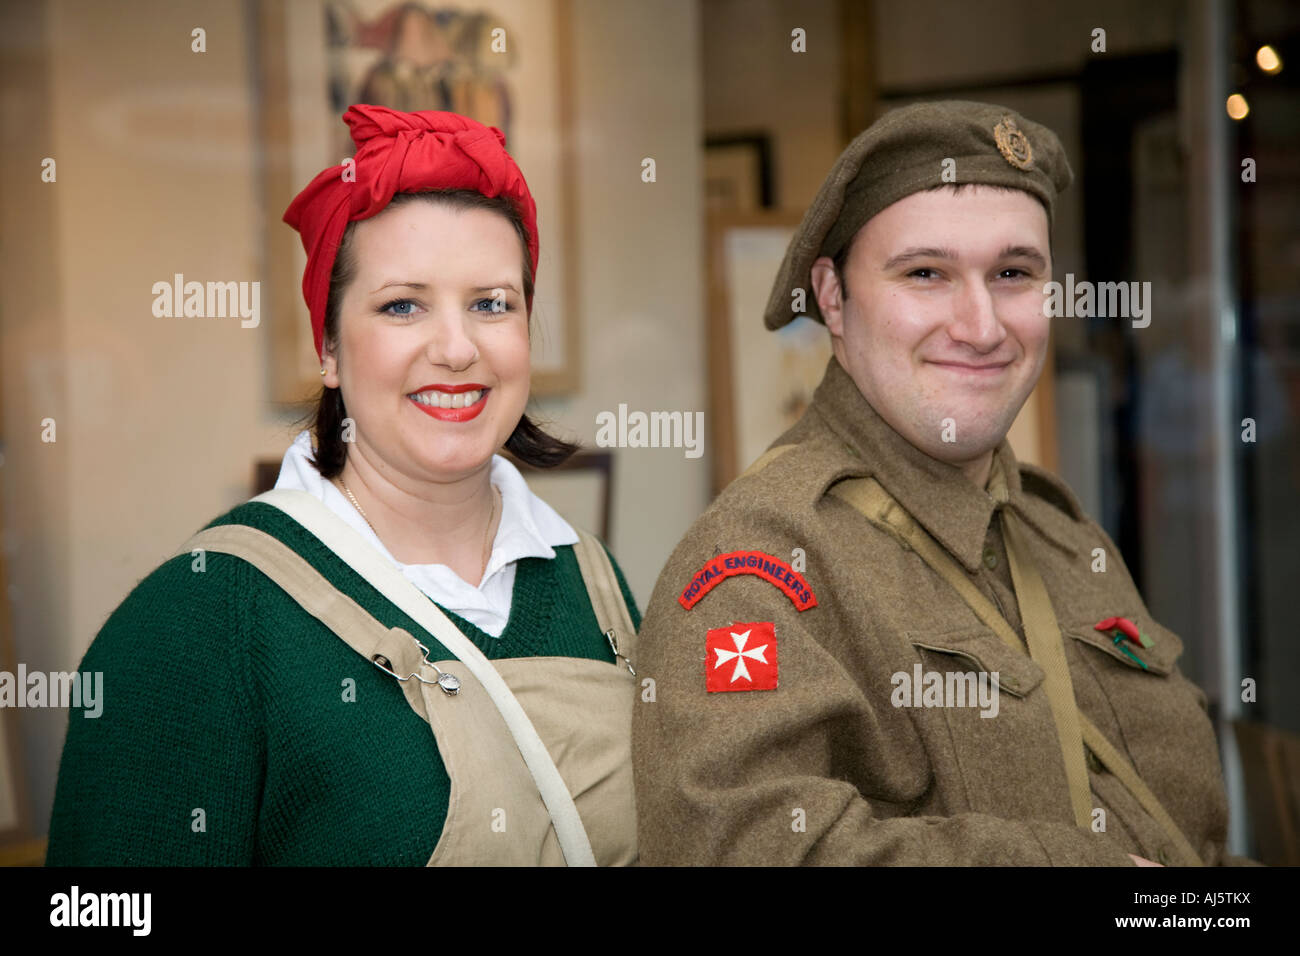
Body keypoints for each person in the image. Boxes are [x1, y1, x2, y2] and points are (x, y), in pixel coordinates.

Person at [632, 100, 1245, 866]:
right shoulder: (761, 562)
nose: (982, 325)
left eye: (1014, 274)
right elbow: (732, 847)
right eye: (926, 273)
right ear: (832, 298)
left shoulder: (1064, 535)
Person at [47, 105, 639, 866]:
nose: (457, 348)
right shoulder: (201, 622)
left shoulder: (595, 584)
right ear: (328, 348)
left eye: (492, 304)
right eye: (403, 305)